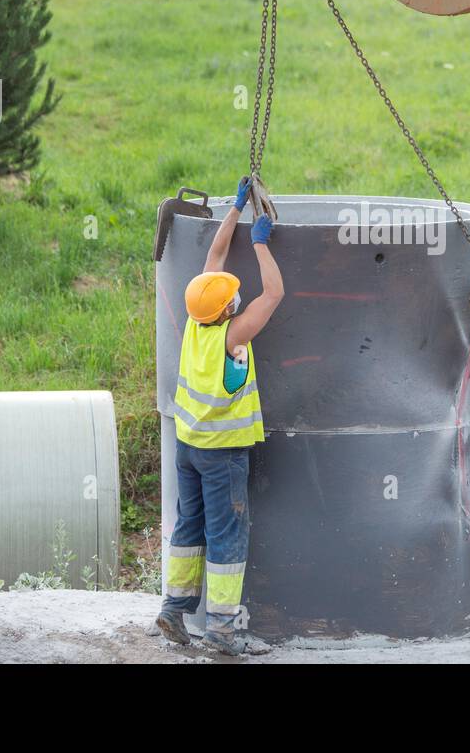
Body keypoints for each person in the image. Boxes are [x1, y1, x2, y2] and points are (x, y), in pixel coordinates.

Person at [156, 177, 283, 655]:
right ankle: (222, 632)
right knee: (227, 536)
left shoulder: (196, 320)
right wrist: (261, 243)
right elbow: (273, 294)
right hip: (221, 454)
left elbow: (214, 258)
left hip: (187, 447)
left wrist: (235, 210)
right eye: (232, 295)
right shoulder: (234, 336)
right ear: (228, 308)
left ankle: (173, 609)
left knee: (189, 526)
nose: (236, 294)